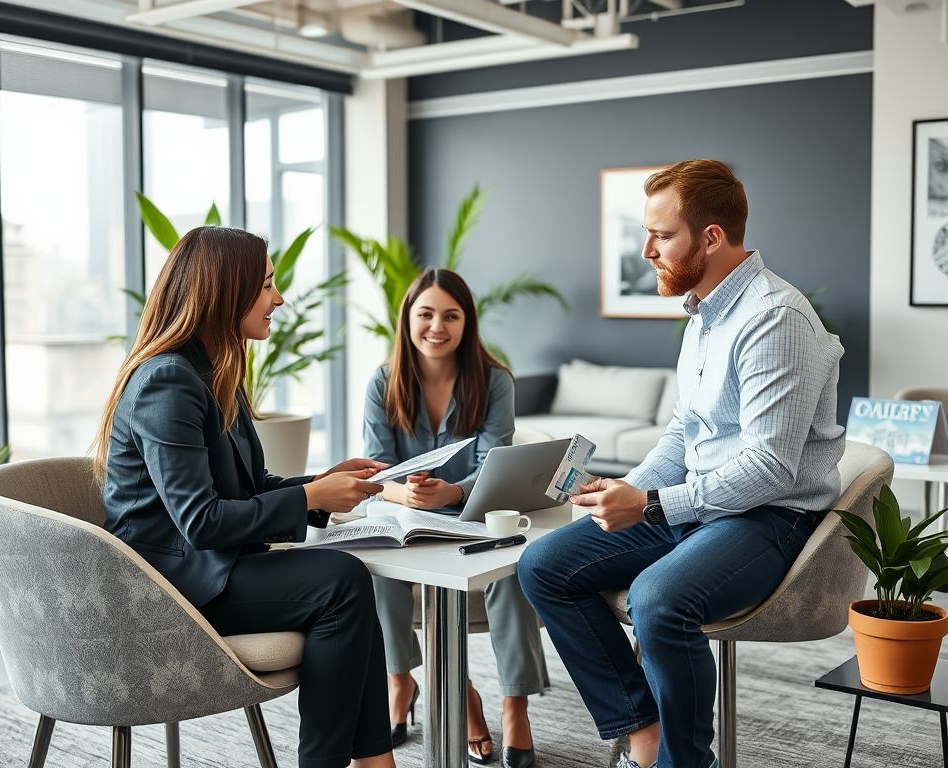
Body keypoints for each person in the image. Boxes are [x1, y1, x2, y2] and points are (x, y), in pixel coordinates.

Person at [517, 160, 845, 768]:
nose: (646, 250)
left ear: (712, 237)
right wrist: (629, 488)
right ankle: (645, 737)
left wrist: (653, 504)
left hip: (768, 518)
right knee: (543, 563)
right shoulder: (702, 315)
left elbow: (770, 468)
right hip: (696, 504)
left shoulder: (776, 318)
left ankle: (685, 761)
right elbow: (684, 432)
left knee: (658, 599)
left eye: (662, 236)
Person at [94, 226, 396, 768]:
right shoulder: (168, 380)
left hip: (206, 566)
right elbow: (203, 522)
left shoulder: (213, 373)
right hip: (164, 588)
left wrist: (320, 487)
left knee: (346, 580)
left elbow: (247, 490)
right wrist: (309, 498)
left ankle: (376, 763)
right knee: (341, 582)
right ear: (224, 292)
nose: (278, 299)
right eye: (266, 285)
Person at [362, 268, 549, 768]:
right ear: (407, 320)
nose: (437, 326)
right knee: (375, 567)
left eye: (451, 314)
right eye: (425, 314)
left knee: (514, 572)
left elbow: (496, 462)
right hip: (407, 520)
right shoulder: (383, 381)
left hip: (475, 519)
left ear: (468, 322)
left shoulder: (495, 381)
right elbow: (376, 467)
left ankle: (515, 707)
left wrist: (452, 489)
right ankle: (401, 680)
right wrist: (404, 493)